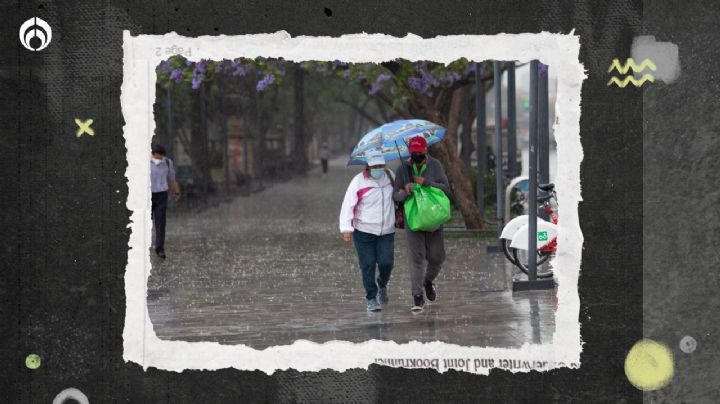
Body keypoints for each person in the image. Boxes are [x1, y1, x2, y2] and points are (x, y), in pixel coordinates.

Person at [393, 136, 452, 312]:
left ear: (426, 150)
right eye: (414, 153)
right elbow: (395, 195)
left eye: (420, 152)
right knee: (416, 258)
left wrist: (426, 183)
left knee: (437, 256)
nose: (417, 155)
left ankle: (427, 281)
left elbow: (446, 189)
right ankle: (417, 296)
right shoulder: (403, 169)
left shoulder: (436, 165)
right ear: (410, 152)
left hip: (434, 217)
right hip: (413, 219)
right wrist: (406, 191)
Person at [339, 149, 396, 312]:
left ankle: (382, 285)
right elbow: (348, 205)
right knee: (368, 265)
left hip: (386, 230)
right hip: (363, 231)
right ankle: (371, 297)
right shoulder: (358, 182)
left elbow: (399, 195)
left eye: (381, 165)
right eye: (375, 165)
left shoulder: (390, 177)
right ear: (368, 167)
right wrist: (346, 229)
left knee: (387, 263)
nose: (379, 168)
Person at [150, 144, 181, 259]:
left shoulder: (167, 162)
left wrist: (176, 192)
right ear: (153, 154)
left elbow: (172, 179)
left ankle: (159, 248)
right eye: (158, 156)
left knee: (160, 222)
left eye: (162, 156)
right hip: (147, 195)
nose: (160, 159)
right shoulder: (145, 162)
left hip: (161, 195)